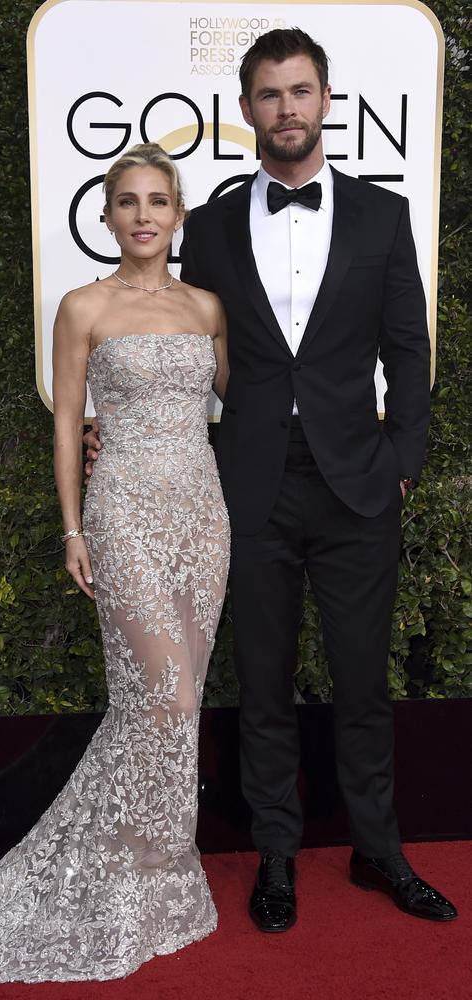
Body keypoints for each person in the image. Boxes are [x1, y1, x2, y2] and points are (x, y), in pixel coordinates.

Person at [86, 29, 458, 933]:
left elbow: (410, 350)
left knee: (364, 683)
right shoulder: (206, 227)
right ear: (247, 109)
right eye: (269, 94)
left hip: (358, 486)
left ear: (326, 99)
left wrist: (403, 460)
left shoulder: (381, 215)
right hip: (245, 487)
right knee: (262, 684)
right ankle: (278, 858)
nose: (286, 108)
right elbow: (163, 333)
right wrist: (118, 425)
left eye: (300, 91)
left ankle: (379, 850)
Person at [0, 143, 230, 982]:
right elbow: (68, 423)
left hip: (204, 518)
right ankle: (112, 886)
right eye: (126, 201)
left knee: (179, 705)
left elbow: (237, 403)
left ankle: (162, 882)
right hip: (125, 513)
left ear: (177, 214)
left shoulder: (209, 307)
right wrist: (74, 527)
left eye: (157, 201)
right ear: (106, 215)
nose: (142, 215)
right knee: (161, 697)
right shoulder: (82, 306)